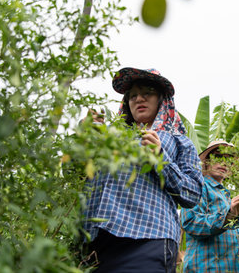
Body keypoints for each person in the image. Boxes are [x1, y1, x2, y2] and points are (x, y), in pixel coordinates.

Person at [82, 67, 203, 272]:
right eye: (133, 95)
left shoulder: (177, 140)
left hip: (148, 238)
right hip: (98, 242)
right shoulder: (109, 138)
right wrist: (83, 140)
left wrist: (160, 158)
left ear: (161, 100)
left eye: (147, 93)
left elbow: (192, 194)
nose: (139, 99)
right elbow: (75, 176)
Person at [180, 140, 239, 272]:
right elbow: (190, 221)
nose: (224, 163)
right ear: (206, 162)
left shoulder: (227, 196)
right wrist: (228, 217)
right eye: (218, 157)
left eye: (229, 161)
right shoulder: (198, 186)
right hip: (206, 267)